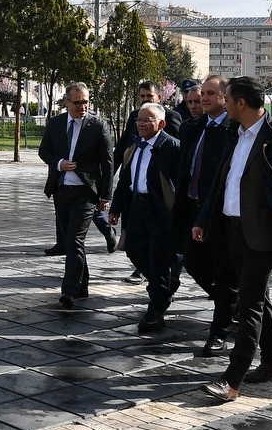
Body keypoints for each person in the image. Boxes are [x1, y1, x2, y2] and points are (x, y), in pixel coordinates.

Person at [193, 75, 272, 401]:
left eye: (227, 100)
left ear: (241, 103)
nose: (224, 105)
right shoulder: (235, 134)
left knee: (248, 306)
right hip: (233, 231)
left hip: (263, 236)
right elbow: (222, 182)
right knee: (258, 298)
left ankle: (232, 381)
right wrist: (204, 220)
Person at [175, 74, 236, 353]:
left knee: (224, 271)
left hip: (219, 213)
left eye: (212, 94)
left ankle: (219, 331)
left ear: (225, 98)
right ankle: (232, 303)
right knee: (193, 262)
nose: (205, 99)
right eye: (204, 94)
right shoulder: (192, 128)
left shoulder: (233, 131)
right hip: (192, 207)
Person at [40, 82, 114, 309]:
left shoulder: (97, 126)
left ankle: (69, 290)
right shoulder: (56, 124)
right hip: (61, 189)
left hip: (86, 192)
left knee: (74, 241)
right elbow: (44, 151)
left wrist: (105, 195)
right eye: (78, 102)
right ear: (67, 102)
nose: (83, 106)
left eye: (86, 102)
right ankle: (83, 284)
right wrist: (59, 163)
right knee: (73, 242)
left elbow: (108, 163)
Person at [110, 103, 181, 332]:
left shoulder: (171, 147)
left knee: (157, 258)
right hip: (136, 208)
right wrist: (115, 208)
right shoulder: (134, 145)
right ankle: (165, 286)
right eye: (138, 119)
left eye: (147, 120)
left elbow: (180, 183)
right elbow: (124, 181)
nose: (141, 124)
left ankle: (156, 308)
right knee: (133, 249)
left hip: (159, 211)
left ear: (160, 124)